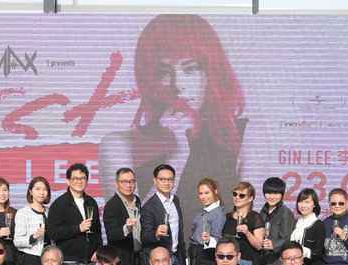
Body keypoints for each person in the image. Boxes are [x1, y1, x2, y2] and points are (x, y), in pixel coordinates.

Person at [98, 14, 248, 234]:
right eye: (164, 72)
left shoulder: (241, 135)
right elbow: (134, 232)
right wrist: (178, 154)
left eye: (190, 68)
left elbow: (247, 225)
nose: (178, 85)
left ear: (212, 72)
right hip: (154, 253)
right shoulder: (119, 145)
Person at [46, 163, 102, 265]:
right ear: (68, 181)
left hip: (91, 260)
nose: (79, 181)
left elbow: (97, 230)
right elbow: (53, 233)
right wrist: (78, 228)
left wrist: (98, 251)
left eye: (83, 178)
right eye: (75, 178)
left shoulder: (91, 202)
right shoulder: (59, 204)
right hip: (69, 261)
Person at [140, 164, 187, 265]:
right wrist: (156, 234)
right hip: (160, 261)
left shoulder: (175, 200)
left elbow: (179, 232)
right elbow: (145, 237)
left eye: (170, 179)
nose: (166, 183)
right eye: (162, 179)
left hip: (177, 257)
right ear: (155, 181)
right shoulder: (148, 207)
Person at [188, 177, 226, 265]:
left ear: (215, 191)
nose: (203, 197)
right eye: (201, 193)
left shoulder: (218, 213)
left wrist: (209, 240)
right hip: (195, 255)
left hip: (205, 256)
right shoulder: (203, 211)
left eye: (207, 193)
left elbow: (217, 238)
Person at [102, 167, 142, 265]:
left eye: (132, 181)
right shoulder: (112, 205)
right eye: (124, 182)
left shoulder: (137, 201)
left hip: (140, 257)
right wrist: (126, 228)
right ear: (117, 183)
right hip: (122, 259)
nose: (129, 185)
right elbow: (111, 235)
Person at [13, 176, 51, 265]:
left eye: (45, 189)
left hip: (49, 258)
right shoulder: (23, 213)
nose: (42, 192)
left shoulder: (50, 212)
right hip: (31, 258)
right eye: (38, 189)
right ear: (30, 192)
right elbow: (17, 241)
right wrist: (33, 237)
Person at [258, 177, 296, 265]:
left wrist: (274, 244)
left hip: (277, 261)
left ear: (282, 194)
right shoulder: (263, 211)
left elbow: (287, 238)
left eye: (276, 193)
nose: (272, 197)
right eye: (269, 193)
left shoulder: (285, 213)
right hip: (262, 260)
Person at [290, 188, 325, 265]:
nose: (303, 205)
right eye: (300, 202)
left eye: (307, 202)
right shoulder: (295, 222)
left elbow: (318, 253)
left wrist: (299, 250)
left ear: (314, 205)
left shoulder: (318, 224)